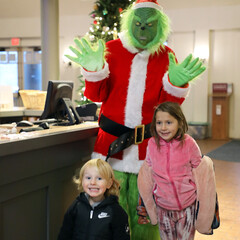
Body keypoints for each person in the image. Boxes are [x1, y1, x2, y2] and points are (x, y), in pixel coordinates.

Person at [66, 0, 206, 238]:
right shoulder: (111, 49)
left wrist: (175, 84)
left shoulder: (166, 56)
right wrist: (93, 71)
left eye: (149, 25)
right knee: (108, 217)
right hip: (110, 148)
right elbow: (94, 95)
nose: (142, 30)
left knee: (148, 218)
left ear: (160, 27)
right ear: (129, 23)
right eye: (138, 24)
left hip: (149, 153)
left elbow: (168, 109)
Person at [139, 101, 202, 240]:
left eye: (169, 122)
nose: (163, 127)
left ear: (179, 122)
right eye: (159, 123)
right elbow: (147, 173)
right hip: (163, 208)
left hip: (187, 206)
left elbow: (200, 171)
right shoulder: (152, 144)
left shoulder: (189, 143)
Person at [57, 158, 130, 240]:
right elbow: (64, 234)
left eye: (99, 178)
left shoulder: (116, 211)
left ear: (109, 183)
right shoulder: (76, 207)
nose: (93, 182)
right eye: (88, 178)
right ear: (81, 181)